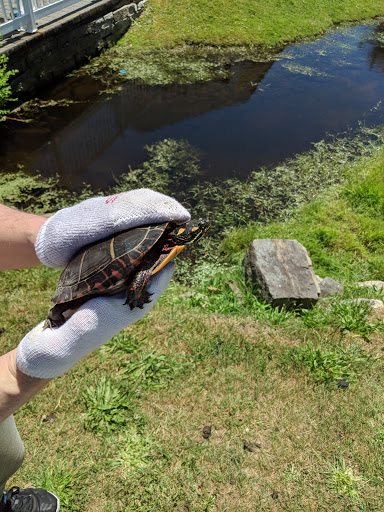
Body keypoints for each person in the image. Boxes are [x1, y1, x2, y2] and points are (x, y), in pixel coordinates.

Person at [0, 189, 190, 512]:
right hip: (90, 279)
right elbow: (137, 266)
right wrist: (21, 369)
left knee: (6, 454)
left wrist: (46, 234)